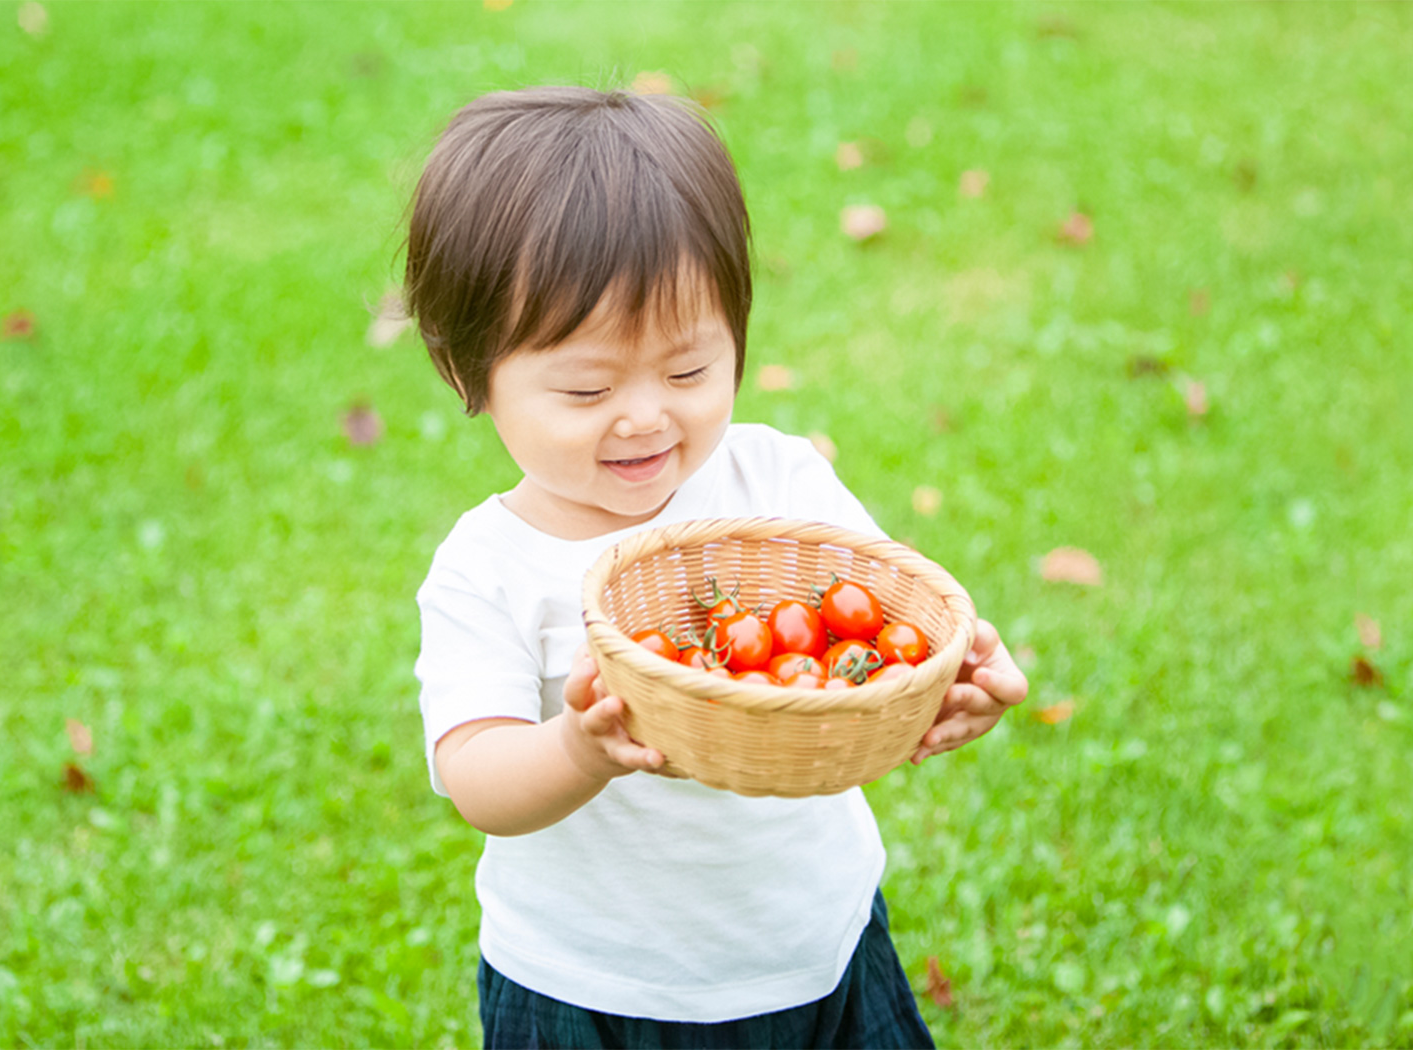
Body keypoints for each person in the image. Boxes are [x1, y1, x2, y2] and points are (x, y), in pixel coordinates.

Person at [403, 85, 1029, 1049]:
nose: (648, 415)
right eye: (587, 387)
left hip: (821, 946)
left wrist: (957, 675)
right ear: (468, 373)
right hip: (597, 991)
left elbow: (878, 616)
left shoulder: (773, 476)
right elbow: (476, 775)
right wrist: (578, 751)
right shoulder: (489, 567)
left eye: (690, 372)